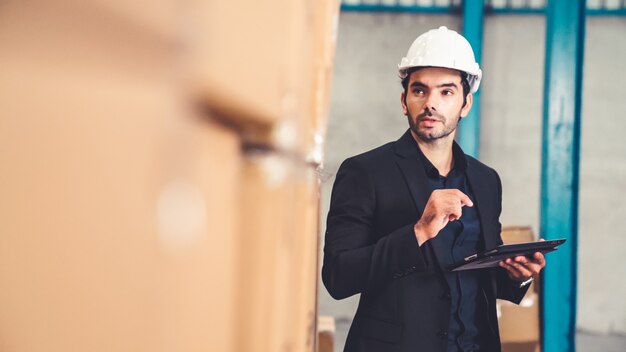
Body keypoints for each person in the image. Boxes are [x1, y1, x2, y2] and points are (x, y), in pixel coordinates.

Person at [321, 26, 546, 352]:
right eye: (420, 90)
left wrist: (517, 275)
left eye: (446, 92)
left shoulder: (486, 180)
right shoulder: (364, 173)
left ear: (466, 104)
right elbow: (339, 278)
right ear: (404, 100)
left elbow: (480, 278)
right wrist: (418, 232)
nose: (431, 103)